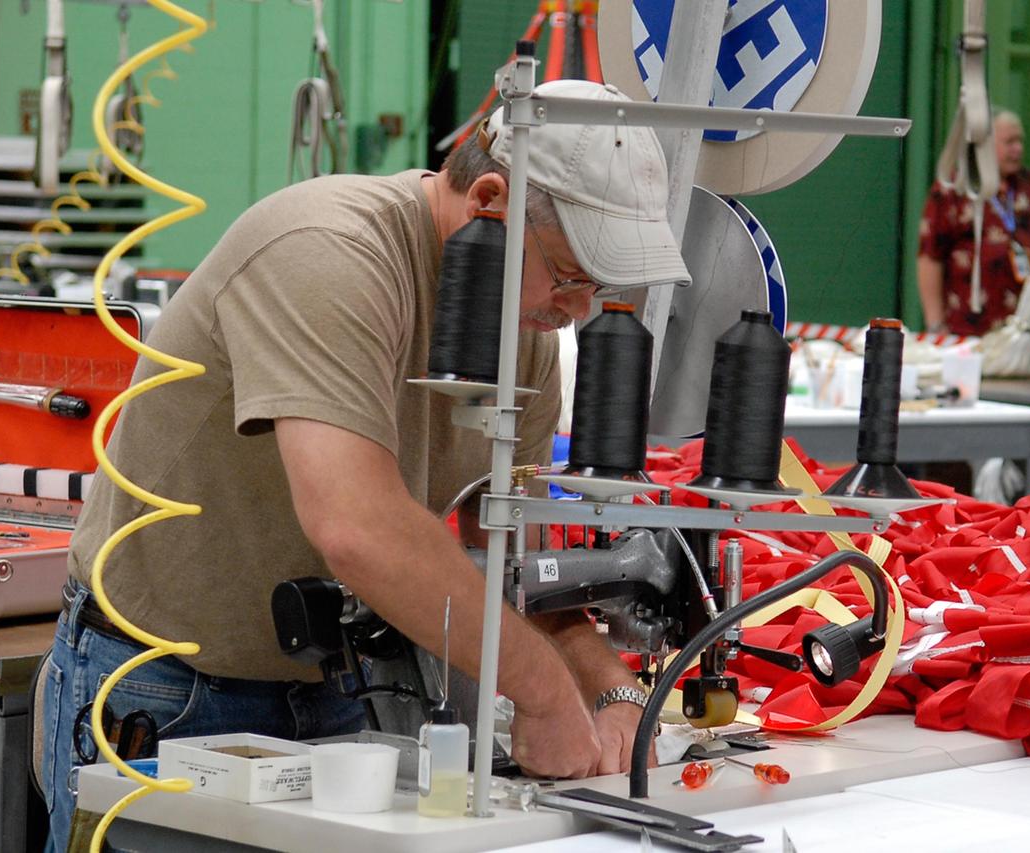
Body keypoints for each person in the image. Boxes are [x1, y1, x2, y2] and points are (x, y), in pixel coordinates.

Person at [40, 79, 690, 850]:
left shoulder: (528, 337)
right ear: (489, 202)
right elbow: (357, 526)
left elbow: (525, 566)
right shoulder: (328, 253)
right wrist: (545, 694)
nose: (578, 310)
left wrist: (610, 689)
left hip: (334, 704)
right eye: (570, 274)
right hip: (164, 696)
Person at [917, 109, 1030, 337]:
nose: (1018, 149)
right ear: (985, 145)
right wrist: (935, 324)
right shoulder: (954, 189)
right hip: (964, 328)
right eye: (1010, 142)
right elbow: (930, 257)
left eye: (1020, 141)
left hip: (1020, 329)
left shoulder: (1029, 186)